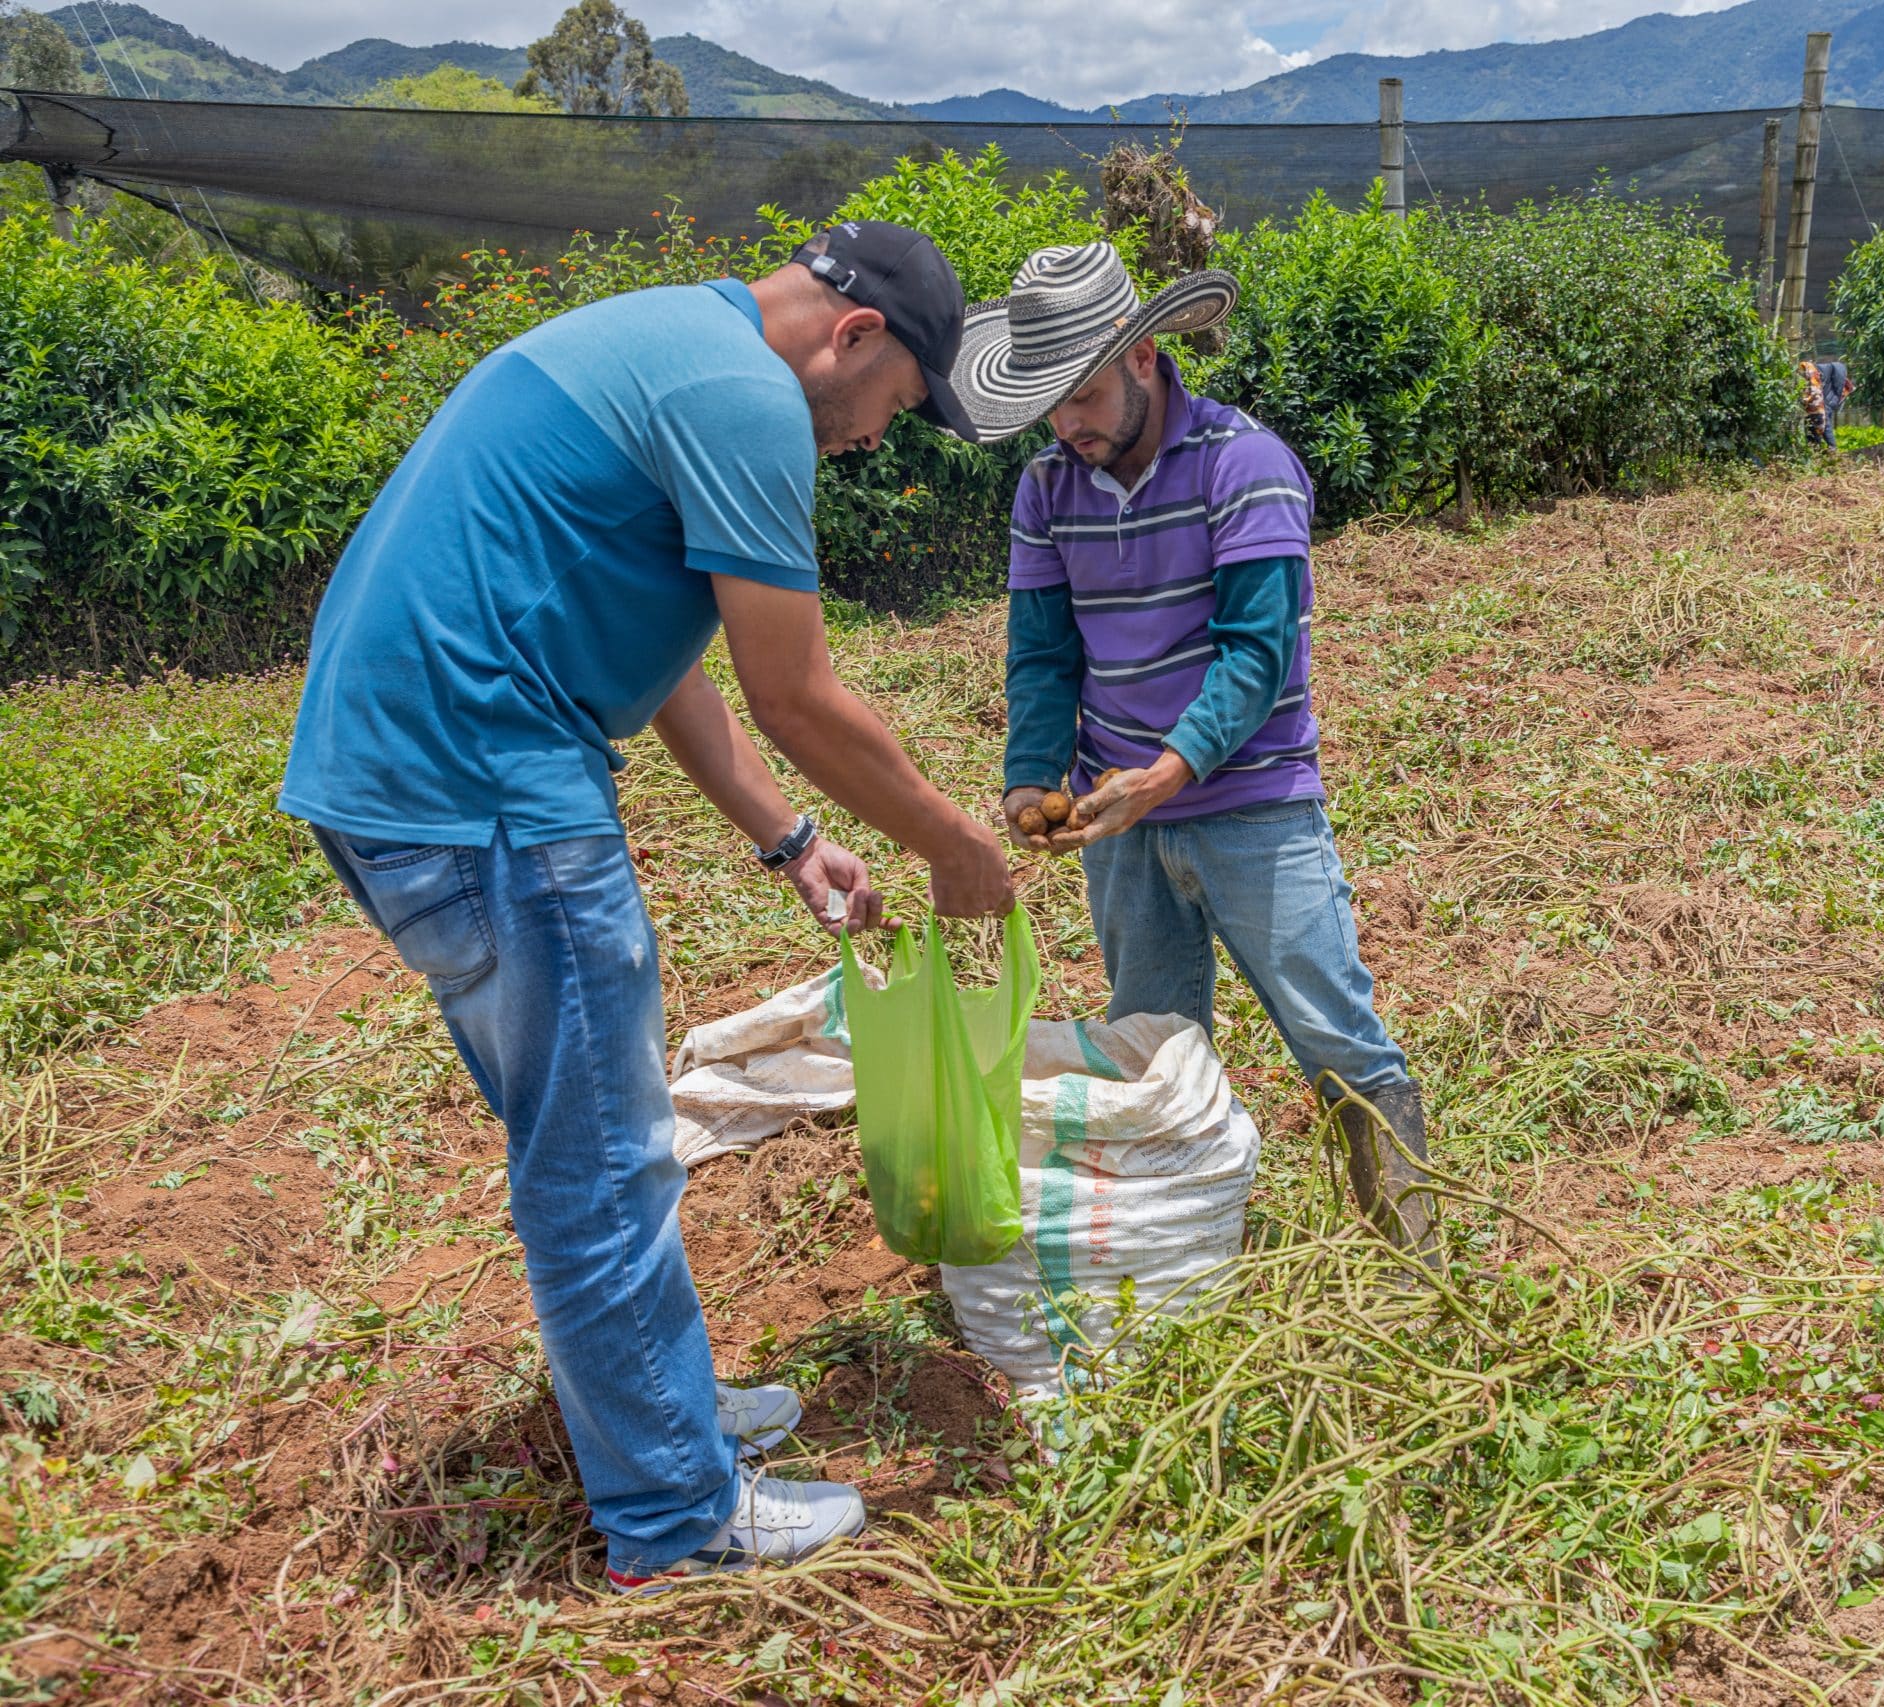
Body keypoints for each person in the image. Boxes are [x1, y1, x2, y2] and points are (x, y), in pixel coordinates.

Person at [275, 221, 1017, 1593]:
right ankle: (674, 1511)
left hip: (395, 773)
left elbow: (662, 654)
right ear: (855, 337)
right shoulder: (748, 401)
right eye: (896, 407)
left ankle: (660, 1410)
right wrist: (953, 842)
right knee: (605, 1163)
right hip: (485, 779)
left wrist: (792, 840)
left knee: (595, 1139)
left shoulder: (675, 343)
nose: (869, 443)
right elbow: (793, 690)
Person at [963, 242, 1439, 1259]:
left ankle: (1413, 1263)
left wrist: (1170, 773)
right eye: (1050, 406)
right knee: (1153, 1047)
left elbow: (1258, 654)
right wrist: (1031, 779)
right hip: (1117, 822)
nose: (1069, 425)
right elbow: (1042, 654)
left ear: (1142, 361)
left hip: (1252, 804)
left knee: (1334, 1034)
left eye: (1083, 395)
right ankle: (1181, 1254)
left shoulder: (1244, 465)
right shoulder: (1048, 489)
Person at [1818, 358, 1852, 448]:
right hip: (1829, 400)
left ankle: (1827, 447)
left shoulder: (1826, 375)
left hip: (1826, 401)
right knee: (1822, 421)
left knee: (1821, 422)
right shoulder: (1835, 383)